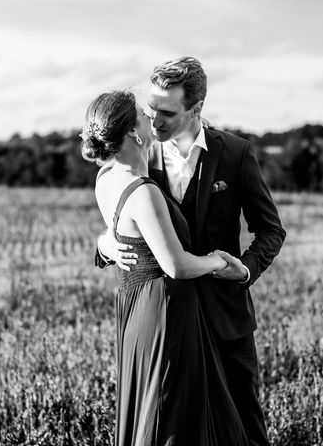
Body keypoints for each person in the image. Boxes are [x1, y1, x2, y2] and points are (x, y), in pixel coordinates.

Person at [97, 57, 286, 446]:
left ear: (196, 108)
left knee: (245, 433)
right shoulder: (138, 153)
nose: (155, 121)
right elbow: (118, 211)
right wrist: (104, 244)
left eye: (167, 113)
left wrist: (245, 270)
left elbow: (271, 229)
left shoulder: (235, 153)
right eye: (151, 111)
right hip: (169, 324)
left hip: (223, 317)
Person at [82, 90, 249, 446]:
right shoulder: (144, 191)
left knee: (157, 405)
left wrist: (106, 242)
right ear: (132, 133)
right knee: (169, 414)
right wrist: (219, 260)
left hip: (135, 305)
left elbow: (119, 231)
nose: (152, 118)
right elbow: (175, 264)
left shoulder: (105, 178)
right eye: (145, 114)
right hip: (165, 311)